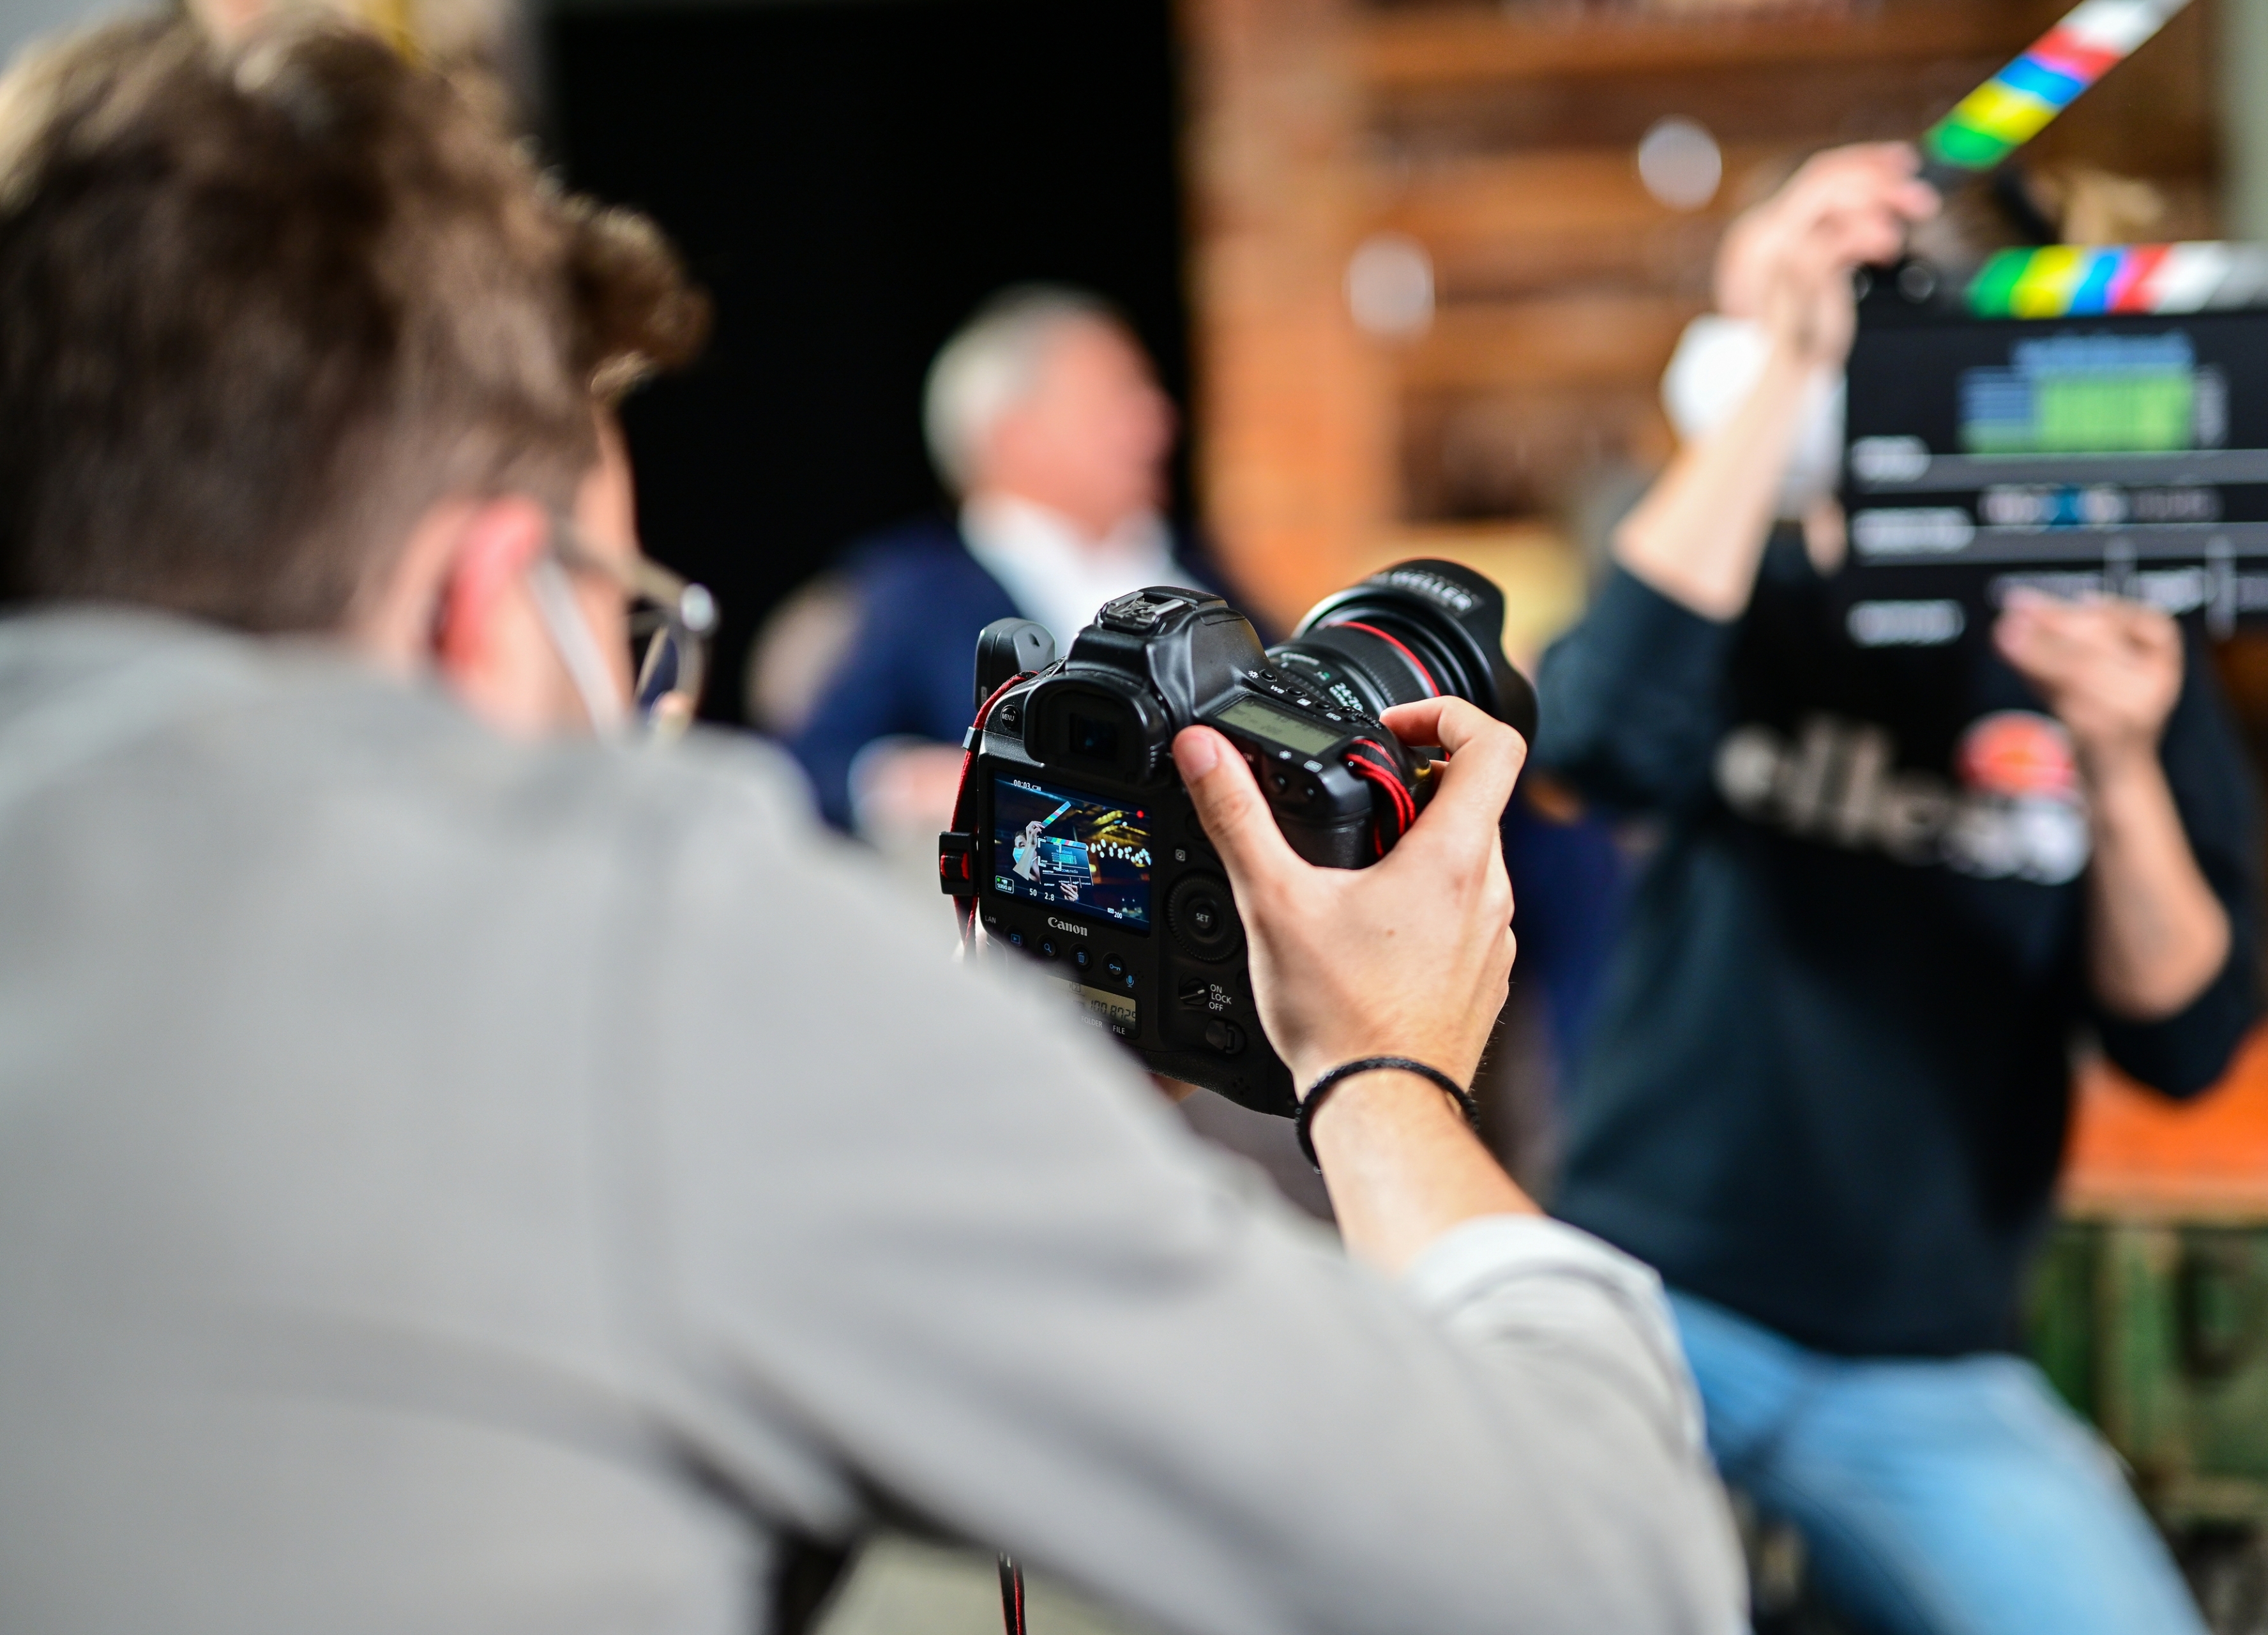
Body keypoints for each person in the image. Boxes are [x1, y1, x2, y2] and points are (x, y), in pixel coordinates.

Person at [0, 17, 1747, 1635]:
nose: (640, 702)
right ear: (483, 601)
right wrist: (1381, 1070)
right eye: (625, 622)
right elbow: (1603, 1580)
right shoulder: (650, 955)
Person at [1535, 143, 2263, 1635]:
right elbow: (1592, 742)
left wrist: (2119, 764)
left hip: (1922, 1361)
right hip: (1651, 1292)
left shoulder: (2123, 655)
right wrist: (1783, 368)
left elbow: (2183, 1036)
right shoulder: (1749, 593)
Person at [784, 287, 1234, 839]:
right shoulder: (911, 590)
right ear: (1016, 436)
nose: (1157, 422)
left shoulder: (1196, 567)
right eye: (1118, 400)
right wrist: (912, 781)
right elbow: (809, 765)